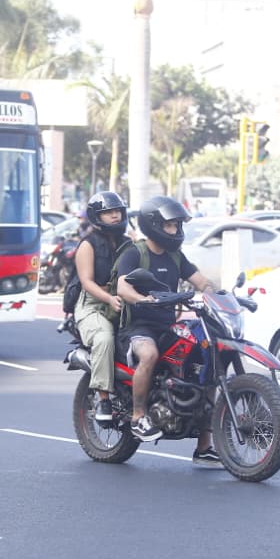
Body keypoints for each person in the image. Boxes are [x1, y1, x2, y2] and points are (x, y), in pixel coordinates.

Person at [114, 195, 218, 463]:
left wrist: (217, 294)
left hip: (168, 326)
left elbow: (200, 280)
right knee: (148, 355)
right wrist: (142, 299)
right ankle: (138, 416)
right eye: (170, 225)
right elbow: (123, 286)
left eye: (177, 225)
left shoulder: (175, 256)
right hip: (138, 327)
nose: (176, 231)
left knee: (206, 364)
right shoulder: (135, 253)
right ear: (154, 225)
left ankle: (204, 446)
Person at [72, 191, 129, 422]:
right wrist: (109, 299)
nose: (115, 216)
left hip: (123, 299)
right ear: (97, 216)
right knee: (105, 337)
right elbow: (87, 282)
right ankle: (104, 399)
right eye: (108, 213)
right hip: (93, 304)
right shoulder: (88, 244)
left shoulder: (128, 243)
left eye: (117, 211)